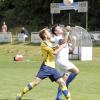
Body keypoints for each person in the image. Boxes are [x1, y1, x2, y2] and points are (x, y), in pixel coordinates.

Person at [16, 28, 71, 100]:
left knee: (62, 83)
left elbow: (52, 49)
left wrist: (56, 46)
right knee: (35, 82)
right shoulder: (44, 43)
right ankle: (19, 95)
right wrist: (61, 46)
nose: (49, 33)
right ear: (45, 35)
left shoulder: (49, 43)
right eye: (48, 32)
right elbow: (54, 53)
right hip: (46, 67)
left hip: (52, 68)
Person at [51, 25, 80, 100]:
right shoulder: (58, 38)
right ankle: (66, 85)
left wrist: (74, 41)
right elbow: (64, 42)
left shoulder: (62, 38)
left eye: (60, 28)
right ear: (55, 32)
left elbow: (71, 50)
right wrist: (67, 32)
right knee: (76, 71)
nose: (60, 28)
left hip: (60, 62)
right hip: (62, 61)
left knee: (62, 82)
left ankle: (58, 98)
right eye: (58, 28)